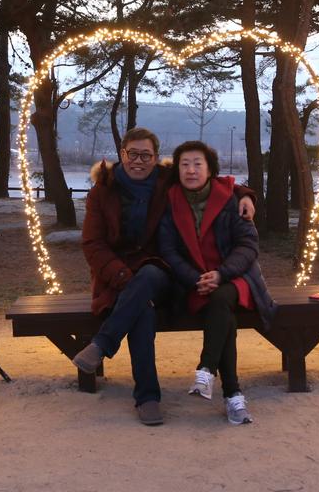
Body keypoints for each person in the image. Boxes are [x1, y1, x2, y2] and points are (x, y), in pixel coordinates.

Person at [75, 127, 256, 426]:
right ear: (122, 154)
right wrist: (121, 275)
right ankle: (147, 398)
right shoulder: (102, 191)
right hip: (115, 276)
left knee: (147, 277)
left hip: (160, 271)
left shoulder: (164, 179)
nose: (138, 161)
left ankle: (103, 344)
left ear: (156, 157)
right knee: (142, 311)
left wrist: (244, 195)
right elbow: (93, 244)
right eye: (133, 154)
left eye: (146, 155)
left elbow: (210, 180)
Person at [158, 140, 276, 426]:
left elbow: (248, 244)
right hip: (195, 282)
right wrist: (195, 278)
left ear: (210, 169)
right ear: (177, 170)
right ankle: (233, 395)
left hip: (236, 277)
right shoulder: (170, 202)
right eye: (185, 164)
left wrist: (222, 274)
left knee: (222, 297)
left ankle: (207, 368)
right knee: (223, 313)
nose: (191, 170)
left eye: (198, 164)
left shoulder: (231, 199)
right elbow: (168, 250)